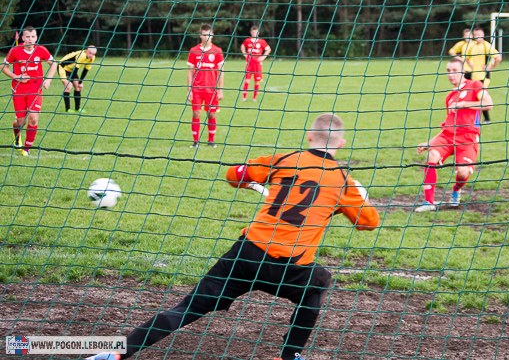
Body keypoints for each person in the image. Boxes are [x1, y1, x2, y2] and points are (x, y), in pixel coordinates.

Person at [86, 113, 381, 360]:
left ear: (309, 136)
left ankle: (116, 354)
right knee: (318, 285)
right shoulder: (343, 181)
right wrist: (353, 200)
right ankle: (289, 356)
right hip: (290, 269)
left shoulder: (284, 159)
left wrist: (246, 179)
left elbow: (234, 175)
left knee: (186, 308)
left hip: (246, 255)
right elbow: (369, 223)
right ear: (341, 144)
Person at [415, 58, 493, 212]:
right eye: (448, 71)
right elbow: (449, 124)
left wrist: (464, 104)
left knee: (463, 174)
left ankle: (456, 190)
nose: (451, 74)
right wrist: (430, 142)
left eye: (454, 70)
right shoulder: (450, 97)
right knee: (432, 156)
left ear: (464, 71)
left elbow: (488, 104)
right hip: (448, 136)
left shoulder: (475, 85)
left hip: (468, 138)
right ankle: (428, 202)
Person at [1, 26, 57, 156]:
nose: (30, 39)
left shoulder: (41, 50)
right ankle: (16, 136)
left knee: (33, 119)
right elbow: (3, 67)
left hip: (35, 89)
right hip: (19, 90)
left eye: (33, 37)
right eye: (27, 37)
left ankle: (27, 148)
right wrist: (16, 77)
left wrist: (48, 80)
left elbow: (54, 63)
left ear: (36, 38)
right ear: (23, 38)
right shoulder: (15, 50)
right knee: (20, 122)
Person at [187, 24, 225, 148]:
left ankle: (211, 141)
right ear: (200, 36)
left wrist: (220, 90)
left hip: (212, 90)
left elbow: (221, 72)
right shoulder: (194, 51)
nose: (206, 37)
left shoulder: (217, 51)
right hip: (197, 89)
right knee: (196, 113)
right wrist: (189, 90)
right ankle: (195, 142)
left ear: (212, 35)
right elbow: (190, 72)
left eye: (209, 34)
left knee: (211, 114)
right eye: (204, 35)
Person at [465, 27, 501, 123]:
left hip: (484, 77)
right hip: (474, 76)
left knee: (481, 97)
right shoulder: (472, 46)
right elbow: (467, 58)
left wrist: (490, 67)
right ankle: (480, 119)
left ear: (483, 35)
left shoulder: (486, 46)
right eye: (475, 35)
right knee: (475, 98)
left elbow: (498, 58)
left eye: (479, 34)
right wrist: (472, 66)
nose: (477, 36)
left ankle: (484, 119)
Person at [58, 46, 98, 112]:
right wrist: (72, 81)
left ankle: (77, 108)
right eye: (90, 53)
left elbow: (85, 70)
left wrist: (80, 83)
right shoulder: (82, 56)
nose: (91, 55)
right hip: (63, 67)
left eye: (93, 54)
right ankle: (67, 109)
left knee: (78, 87)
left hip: (71, 70)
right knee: (68, 86)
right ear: (86, 51)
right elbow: (75, 70)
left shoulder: (92, 58)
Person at [240, 25, 271, 101]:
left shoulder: (261, 41)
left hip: (257, 64)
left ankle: (254, 97)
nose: (254, 33)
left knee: (257, 81)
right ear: (251, 32)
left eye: (256, 32)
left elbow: (268, 49)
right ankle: (244, 97)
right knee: (247, 80)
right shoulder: (247, 40)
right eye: (253, 32)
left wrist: (263, 57)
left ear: (258, 33)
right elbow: (242, 46)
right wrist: (244, 54)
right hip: (249, 63)